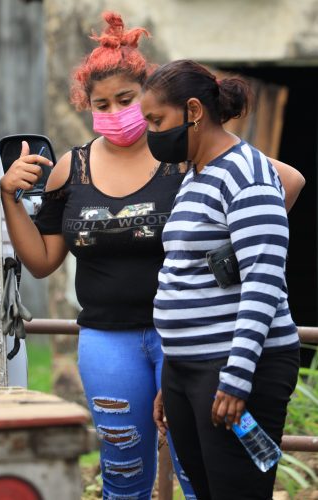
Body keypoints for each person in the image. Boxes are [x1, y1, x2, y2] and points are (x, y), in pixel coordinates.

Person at [0, 13, 303, 500]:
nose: (116, 112)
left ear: (149, 99)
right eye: (101, 105)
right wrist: (9, 198)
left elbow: (283, 184)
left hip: (196, 345)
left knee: (197, 468)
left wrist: (232, 248)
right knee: (123, 469)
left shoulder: (189, 155)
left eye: (127, 101)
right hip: (115, 337)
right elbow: (41, 261)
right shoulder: (71, 168)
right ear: (87, 107)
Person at [140, 59, 301, 500]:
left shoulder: (245, 174)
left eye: (157, 120)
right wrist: (173, 376)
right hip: (189, 370)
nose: (150, 132)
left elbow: (263, 280)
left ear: (193, 111)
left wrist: (235, 378)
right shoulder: (194, 174)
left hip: (234, 368)